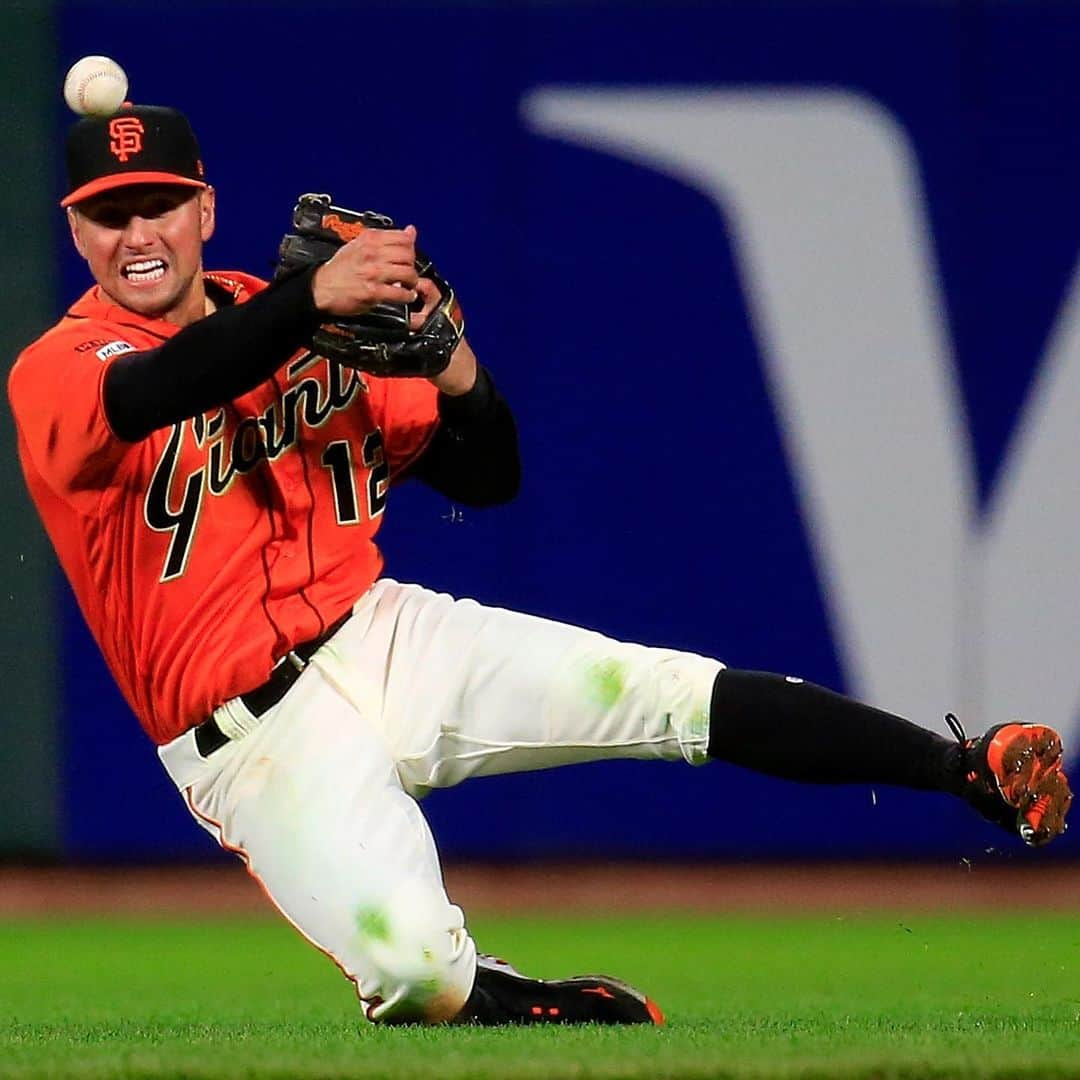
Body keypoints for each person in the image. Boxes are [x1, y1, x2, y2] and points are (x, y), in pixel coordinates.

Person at [9, 102, 1073, 1027]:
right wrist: (309, 305)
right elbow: (157, 391)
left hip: (383, 633)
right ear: (76, 231)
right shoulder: (60, 367)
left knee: (662, 692)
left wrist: (459, 370)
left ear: (204, 208)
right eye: (109, 214)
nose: (137, 233)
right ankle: (496, 999)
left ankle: (964, 767)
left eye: (158, 205)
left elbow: (489, 478)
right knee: (414, 974)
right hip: (250, 737)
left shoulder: (302, 314)